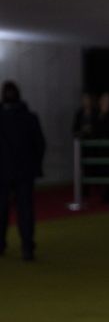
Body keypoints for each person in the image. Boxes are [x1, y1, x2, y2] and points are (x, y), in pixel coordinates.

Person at [0, 81, 46, 261]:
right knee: (25, 211)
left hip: (3, 172)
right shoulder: (30, 117)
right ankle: (27, 247)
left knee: (2, 211)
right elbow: (40, 144)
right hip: (24, 172)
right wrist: (35, 166)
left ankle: (2, 244)